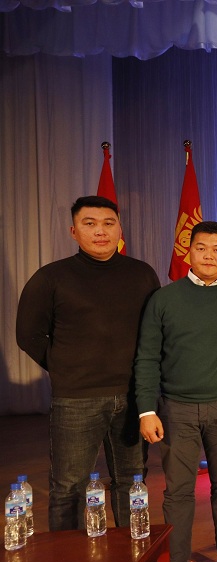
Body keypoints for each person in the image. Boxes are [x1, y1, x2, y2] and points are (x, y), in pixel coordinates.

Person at [16, 195, 160, 532]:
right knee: (69, 486)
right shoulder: (51, 277)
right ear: (73, 231)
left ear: (120, 229)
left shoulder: (142, 274)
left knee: (132, 481)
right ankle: (68, 560)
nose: (100, 231)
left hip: (133, 397)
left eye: (108, 223)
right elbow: (28, 335)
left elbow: (155, 333)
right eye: (90, 224)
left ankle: (132, 552)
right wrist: (65, 367)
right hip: (76, 399)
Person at [136, 221, 217, 562]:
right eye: (201, 248)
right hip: (176, 409)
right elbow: (147, 357)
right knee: (178, 490)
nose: (208, 255)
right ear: (188, 251)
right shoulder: (164, 299)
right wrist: (146, 410)